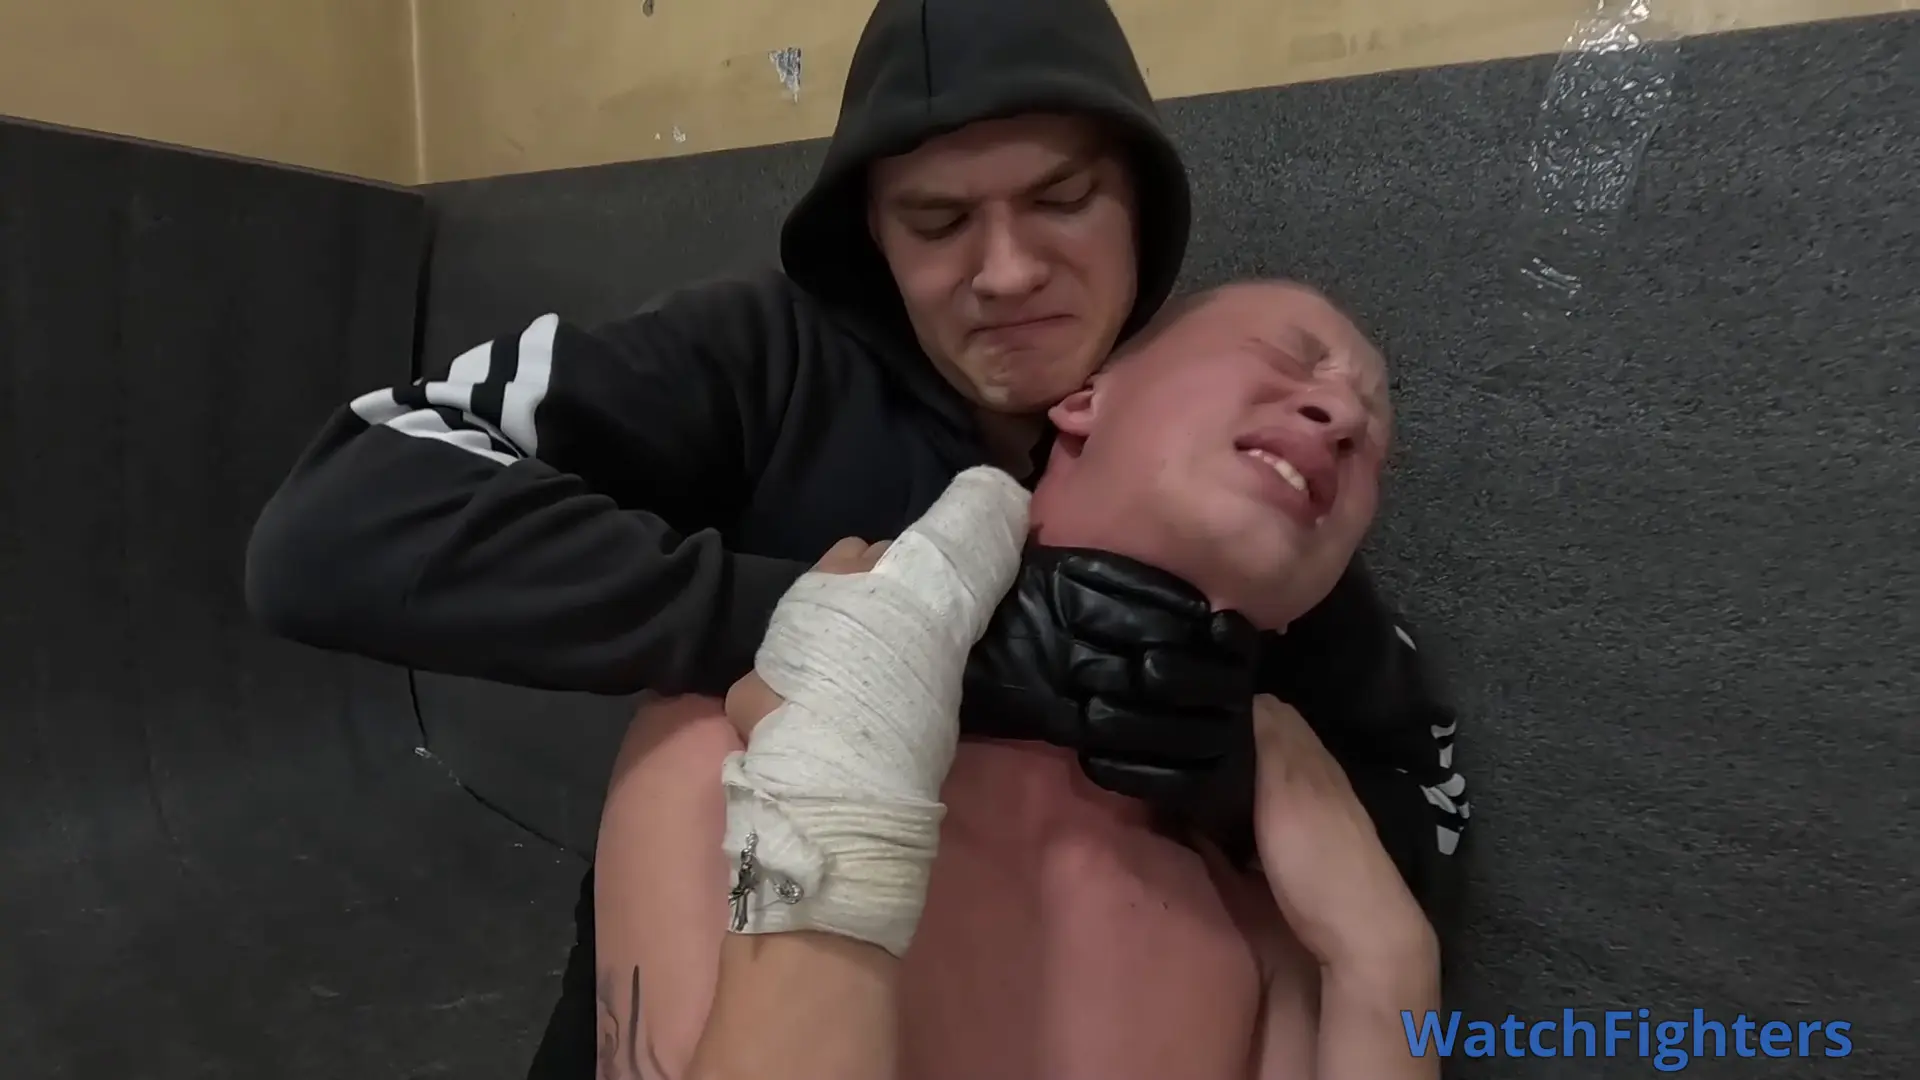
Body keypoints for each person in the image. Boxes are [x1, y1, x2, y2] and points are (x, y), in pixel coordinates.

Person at [242, 0, 1469, 1071]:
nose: (1007, 273)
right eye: (937, 222)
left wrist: (1220, 764)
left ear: (1140, 208)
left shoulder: (1242, 483)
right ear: (872, 235)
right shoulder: (763, 358)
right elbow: (335, 527)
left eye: (1062, 200)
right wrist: (859, 644)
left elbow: (1424, 814)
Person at [596, 282, 1438, 1080]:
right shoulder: (734, 755)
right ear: (1084, 401)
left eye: (1371, 445)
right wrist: (839, 786)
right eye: (1290, 356)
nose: (1343, 420)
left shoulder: (1275, 918)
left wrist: (1388, 960)